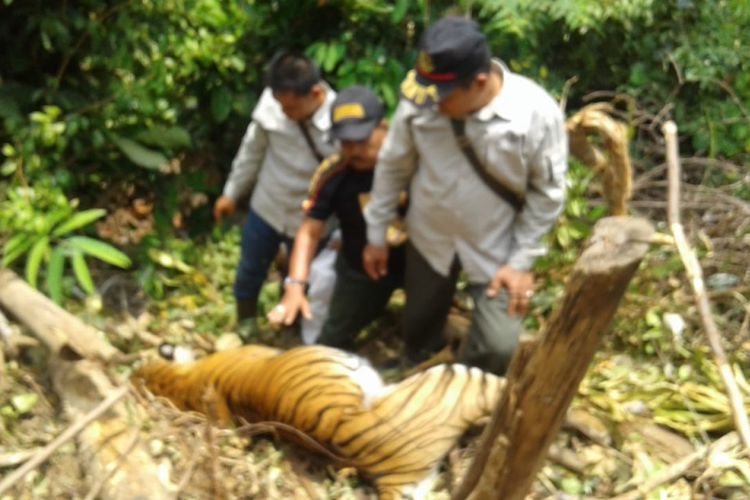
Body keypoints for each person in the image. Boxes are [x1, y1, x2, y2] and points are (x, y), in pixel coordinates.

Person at [363, 16, 568, 375]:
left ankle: (461, 389)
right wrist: (376, 233)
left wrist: (521, 262)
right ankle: (418, 367)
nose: (432, 103)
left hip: (495, 245)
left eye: (444, 96)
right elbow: (393, 166)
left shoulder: (535, 114)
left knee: (497, 347)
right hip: (430, 236)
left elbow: (547, 194)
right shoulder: (420, 100)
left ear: (479, 82)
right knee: (418, 325)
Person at [268, 86, 405, 350]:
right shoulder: (333, 173)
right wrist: (295, 284)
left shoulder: (409, 162)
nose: (355, 151)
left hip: (417, 263)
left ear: (384, 128)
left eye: (363, 141)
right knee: (331, 341)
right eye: (346, 143)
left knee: (421, 336)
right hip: (360, 268)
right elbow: (310, 230)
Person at [213, 51, 338, 339]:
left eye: (291, 108)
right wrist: (231, 193)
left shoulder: (339, 121)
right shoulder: (273, 102)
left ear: (315, 93)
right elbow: (251, 152)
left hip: (309, 219)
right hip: (267, 206)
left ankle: (289, 328)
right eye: (280, 105)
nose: (284, 113)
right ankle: (246, 322)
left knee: (298, 279)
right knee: (250, 269)